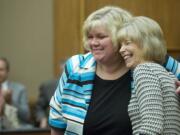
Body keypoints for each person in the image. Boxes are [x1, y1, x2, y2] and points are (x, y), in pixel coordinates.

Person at [48, 6, 180, 135]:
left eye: (101, 36)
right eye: (90, 37)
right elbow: (57, 120)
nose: (93, 43)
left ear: (121, 38)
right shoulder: (75, 66)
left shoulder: (147, 61)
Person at [118, 16, 180, 134]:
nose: (121, 49)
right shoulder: (168, 74)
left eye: (127, 43)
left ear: (146, 43)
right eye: (121, 45)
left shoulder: (144, 70)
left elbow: (152, 127)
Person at [0, 57, 31, 126]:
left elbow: (26, 116)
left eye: (1, 70)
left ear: (7, 71)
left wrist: (11, 102)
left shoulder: (20, 89)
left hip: (16, 128)